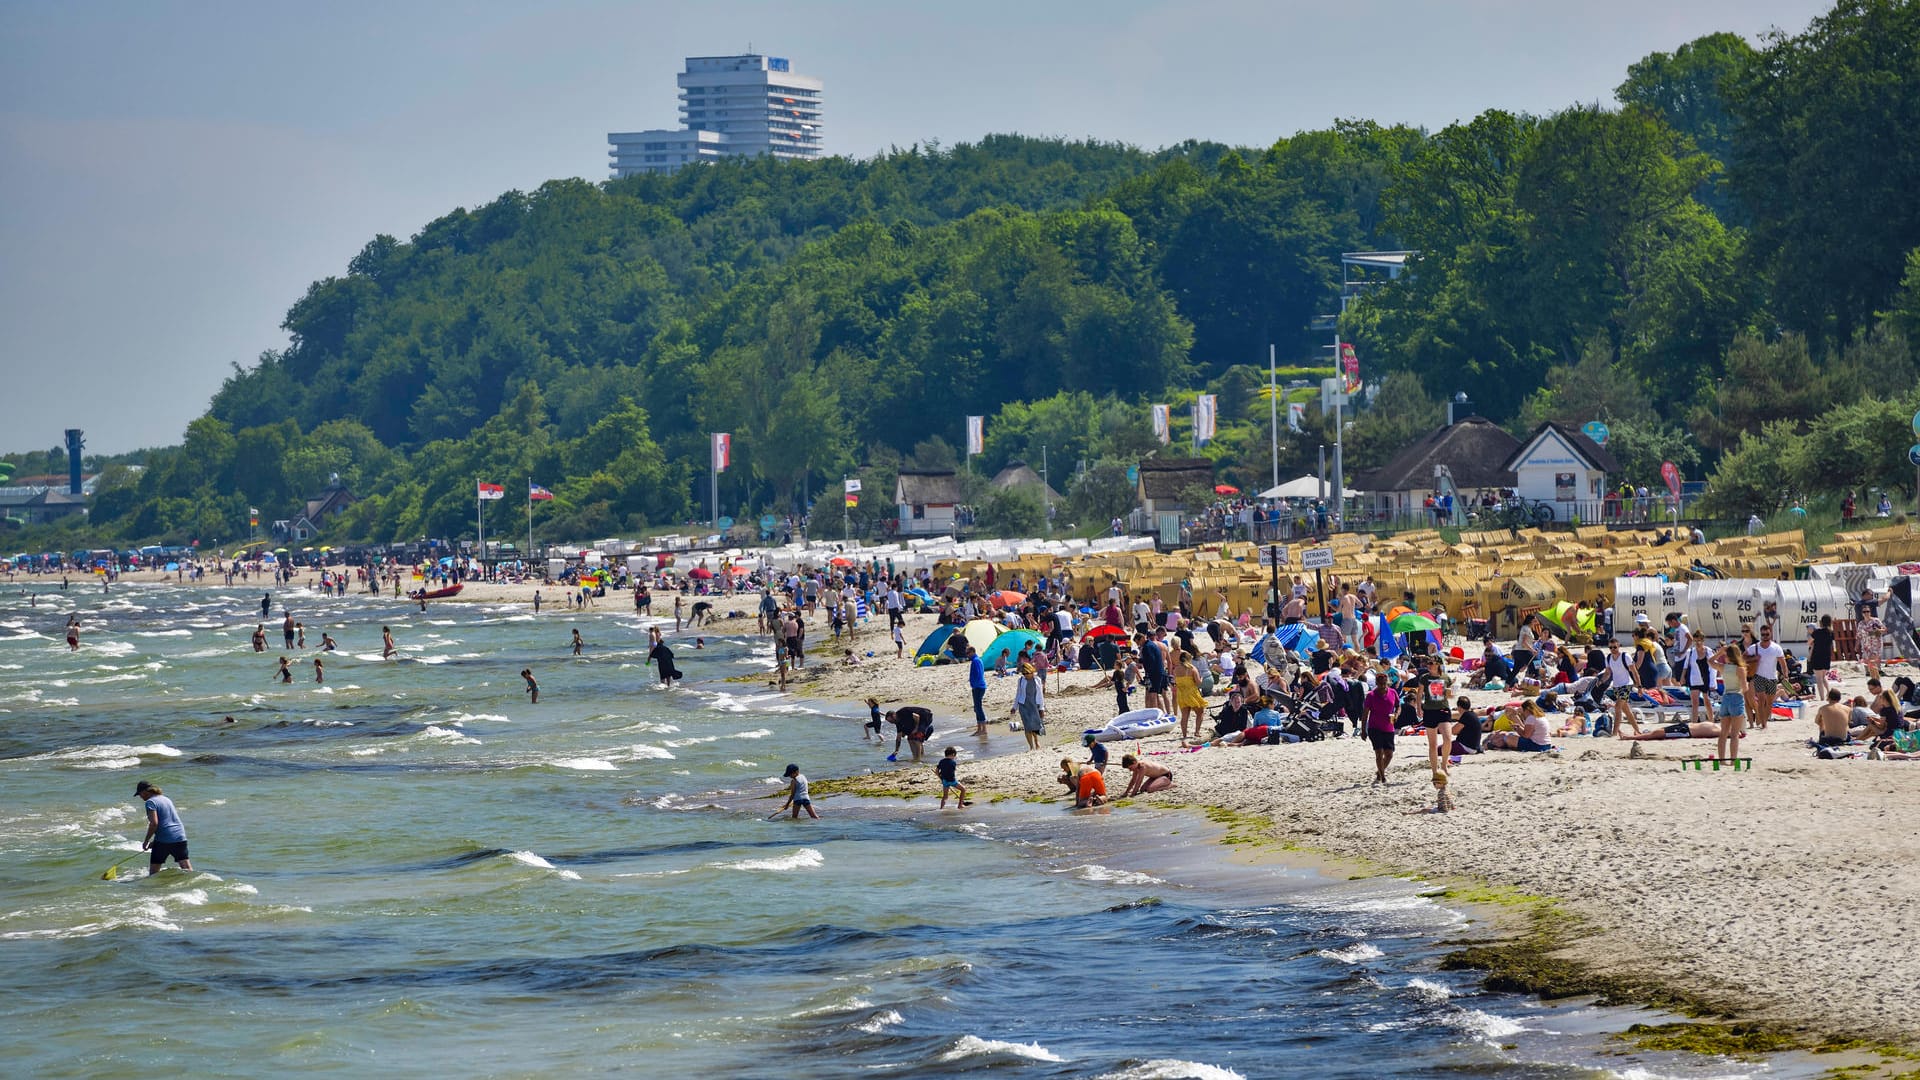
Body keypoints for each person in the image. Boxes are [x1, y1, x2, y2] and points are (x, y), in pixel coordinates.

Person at [136, 780, 192, 874]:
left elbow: (154, 823)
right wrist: (156, 841)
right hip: (179, 836)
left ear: (145, 792)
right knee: (187, 869)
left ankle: (152, 889)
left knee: (154, 873)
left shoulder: (150, 802)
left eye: (140, 794)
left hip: (165, 839)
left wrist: (146, 841)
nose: (140, 797)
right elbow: (167, 821)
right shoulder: (165, 799)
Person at [1745, 623, 1787, 730]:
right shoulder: (1755, 648)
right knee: (1761, 700)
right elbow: (1742, 657)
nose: (1765, 636)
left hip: (1772, 677)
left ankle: (1764, 720)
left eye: (1767, 634)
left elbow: (1782, 662)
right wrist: (1754, 658)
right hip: (1759, 676)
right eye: (1763, 634)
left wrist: (1785, 675)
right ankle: (1763, 723)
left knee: (1769, 702)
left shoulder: (1776, 648)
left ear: (1770, 634)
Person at [1712, 644, 1748, 763]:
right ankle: (1733, 760)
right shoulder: (1740, 669)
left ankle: (1722, 760)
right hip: (1736, 697)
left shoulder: (1723, 667)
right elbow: (1744, 687)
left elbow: (1710, 661)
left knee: (1723, 733)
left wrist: (1719, 653)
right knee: (1734, 734)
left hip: (1726, 698)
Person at [1363, 676, 1398, 785]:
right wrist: (1363, 730)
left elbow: (1398, 706)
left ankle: (1379, 771)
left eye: (1384, 683)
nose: (1383, 686)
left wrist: (1396, 714)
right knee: (1379, 753)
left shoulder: (1393, 693)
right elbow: (1365, 714)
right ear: (1376, 683)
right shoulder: (1371, 696)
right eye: (1380, 684)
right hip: (1374, 727)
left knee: (1389, 754)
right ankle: (1382, 777)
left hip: (1389, 727)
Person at [1013, 663, 1046, 750]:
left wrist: (1042, 708)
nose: (1025, 675)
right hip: (1023, 705)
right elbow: (1018, 694)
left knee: (1034, 725)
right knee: (1027, 726)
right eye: (1023, 673)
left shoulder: (1037, 680)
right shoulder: (1021, 680)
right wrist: (1014, 707)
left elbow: (1040, 695)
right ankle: (1031, 746)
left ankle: (1036, 741)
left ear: (1031, 671)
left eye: (1027, 673)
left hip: (1034, 705)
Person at [1807, 614, 1836, 697]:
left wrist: (1811, 642)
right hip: (1826, 656)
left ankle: (1822, 697)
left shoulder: (1817, 632)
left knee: (1818, 678)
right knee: (1823, 677)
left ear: (1821, 622)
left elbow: (1809, 642)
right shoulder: (1831, 632)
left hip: (1817, 656)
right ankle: (1828, 692)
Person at [966, 644, 989, 736]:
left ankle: (983, 729)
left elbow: (978, 674)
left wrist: (974, 685)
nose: (967, 655)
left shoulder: (976, 661)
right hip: (977, 686)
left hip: (979, 687)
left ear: (972, 652)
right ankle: (979, 728)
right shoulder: (975, 661)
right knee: (976, 708)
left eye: (968, 653)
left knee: (978, 707)